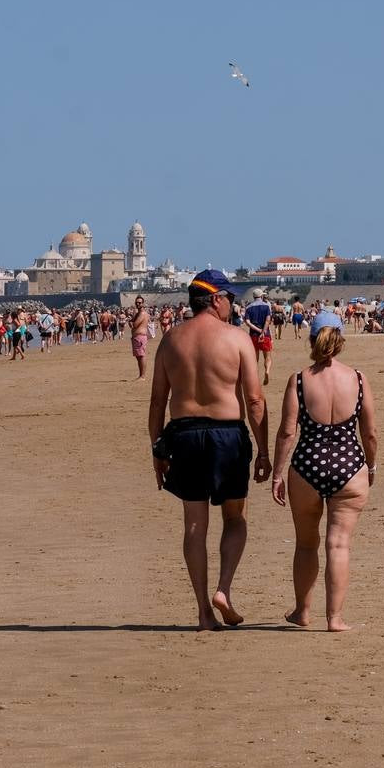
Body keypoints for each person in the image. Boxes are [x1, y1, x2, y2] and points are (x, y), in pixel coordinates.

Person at [148, 270, 271, 632]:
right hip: (226, 435)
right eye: (230, 298)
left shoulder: (171, 340)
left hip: (183, 435)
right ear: (216, 299)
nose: (233, 305)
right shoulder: (235, 338)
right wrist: (262, 451)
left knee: (194, 525)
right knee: (235, 518)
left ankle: (204, 612)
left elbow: (158, 402)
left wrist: (157, 449)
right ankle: (223, 590)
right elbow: (254, 399)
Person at [270, 311, 378, 633]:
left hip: (306, 467)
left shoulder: (300, 380)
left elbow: (287, 433)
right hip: (349, 467)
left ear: (311, 340)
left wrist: (277, 474)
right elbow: (369, 433)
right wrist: (371, 466)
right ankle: (335, 619)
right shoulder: (357, 379)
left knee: (306, 544)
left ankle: (303, 611)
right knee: (339, 544)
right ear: (340, 339)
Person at [242, 294, 274, 385]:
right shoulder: (266, 306)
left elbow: (247, 322)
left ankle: (254, 377)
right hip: (265, 335)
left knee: (254, 359)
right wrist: (263, 331)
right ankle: (267, 371)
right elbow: (268, 320)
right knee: (267, 357)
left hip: (253, 335)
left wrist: (257, 330)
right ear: (261, 296)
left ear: (253, 296)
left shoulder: (248, 307)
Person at [130, 296, 149, 379]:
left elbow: (134, 324)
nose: (138, 304)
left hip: (140, 337)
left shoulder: (142, 313)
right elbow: (131, 322)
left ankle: (143, 376)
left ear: (143, 303)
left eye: (140, 302)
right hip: (137, 337)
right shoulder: (138, 313)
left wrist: (131, 323)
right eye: (136, 302)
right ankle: (141, 375)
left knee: (141, 356)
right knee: (138, 357)